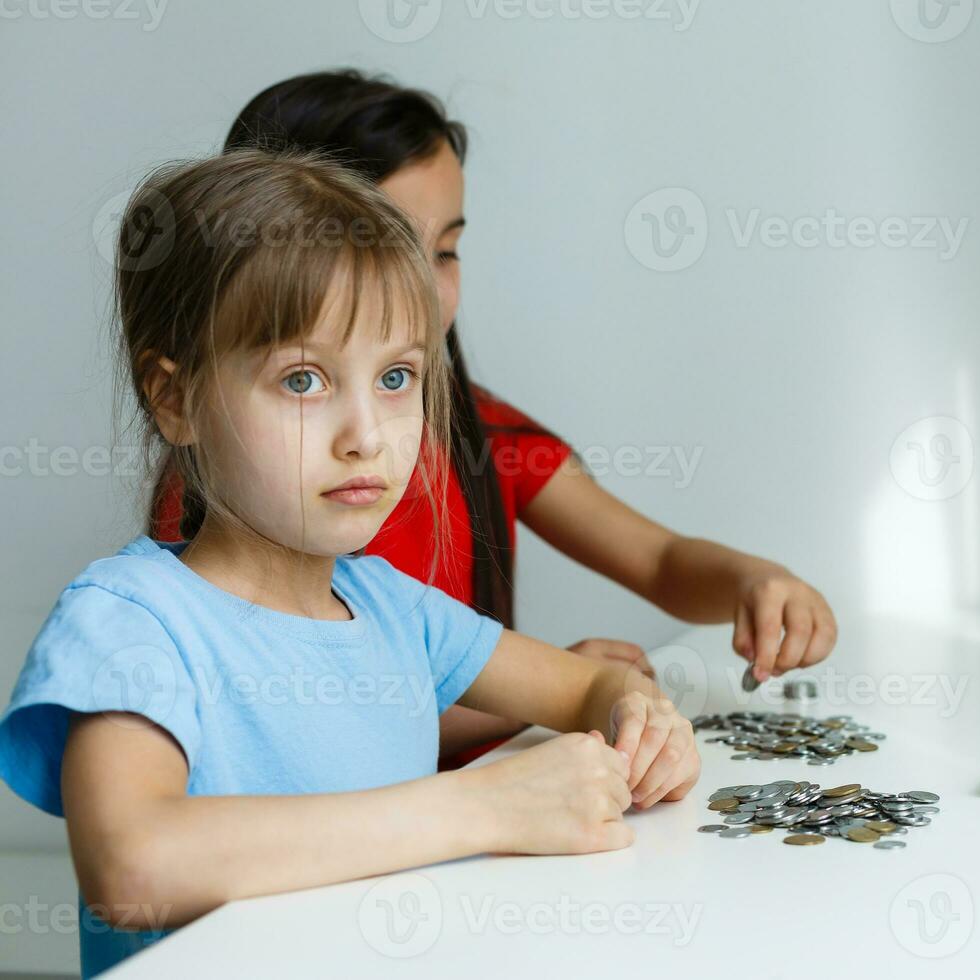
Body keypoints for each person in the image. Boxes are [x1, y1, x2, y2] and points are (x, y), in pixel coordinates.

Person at [0, 150, 699, 978]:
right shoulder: (130, 620)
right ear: (175, 399)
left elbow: (588, 685)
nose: (365, 433)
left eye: (396, 376)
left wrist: (643, 720)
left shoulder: (394, 609)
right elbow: (134, 868)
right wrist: (480, 805)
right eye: (303, 380)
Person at [150, 70, 839, 769]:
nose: (413, 286)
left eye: (443, 251)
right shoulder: (218, 504)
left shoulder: (483, 442)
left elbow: (660, 560)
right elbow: (284, 726)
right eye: (302, 380)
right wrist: (530, 694)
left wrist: (757, 580)